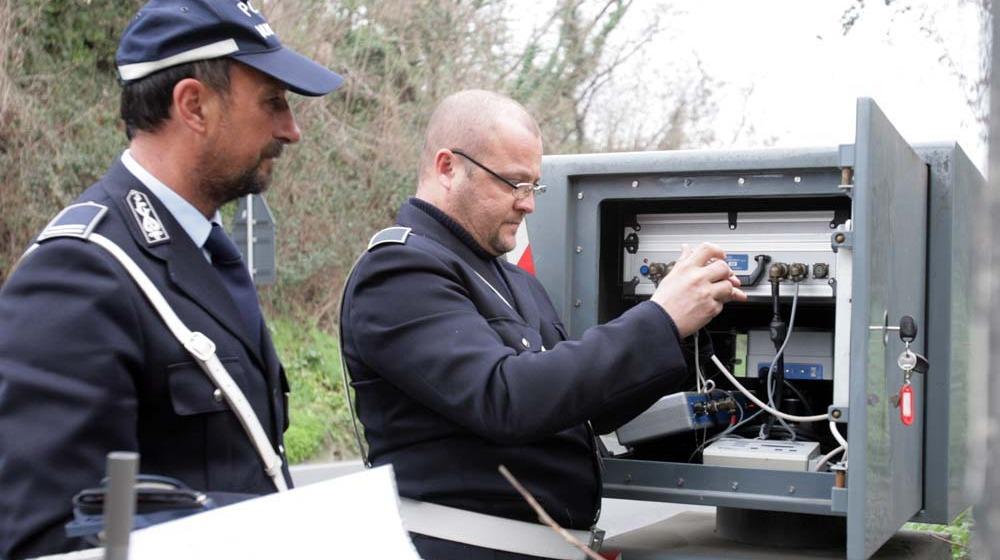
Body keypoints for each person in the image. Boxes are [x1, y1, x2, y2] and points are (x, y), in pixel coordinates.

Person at [340, 89, 747, 560]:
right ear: (447, 168)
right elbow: (506, 398)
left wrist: (679, 328)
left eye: (533, 186)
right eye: (513, 183)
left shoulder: (511, 278)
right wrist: (658, 317)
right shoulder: (397, 271)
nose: (528, 204)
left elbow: (581, 408)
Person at [0, 1, 343, 557]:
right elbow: (49, 537)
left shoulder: (209, 253)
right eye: (273, 102)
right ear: (194, 105)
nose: (291, 129)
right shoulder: (80, 272)